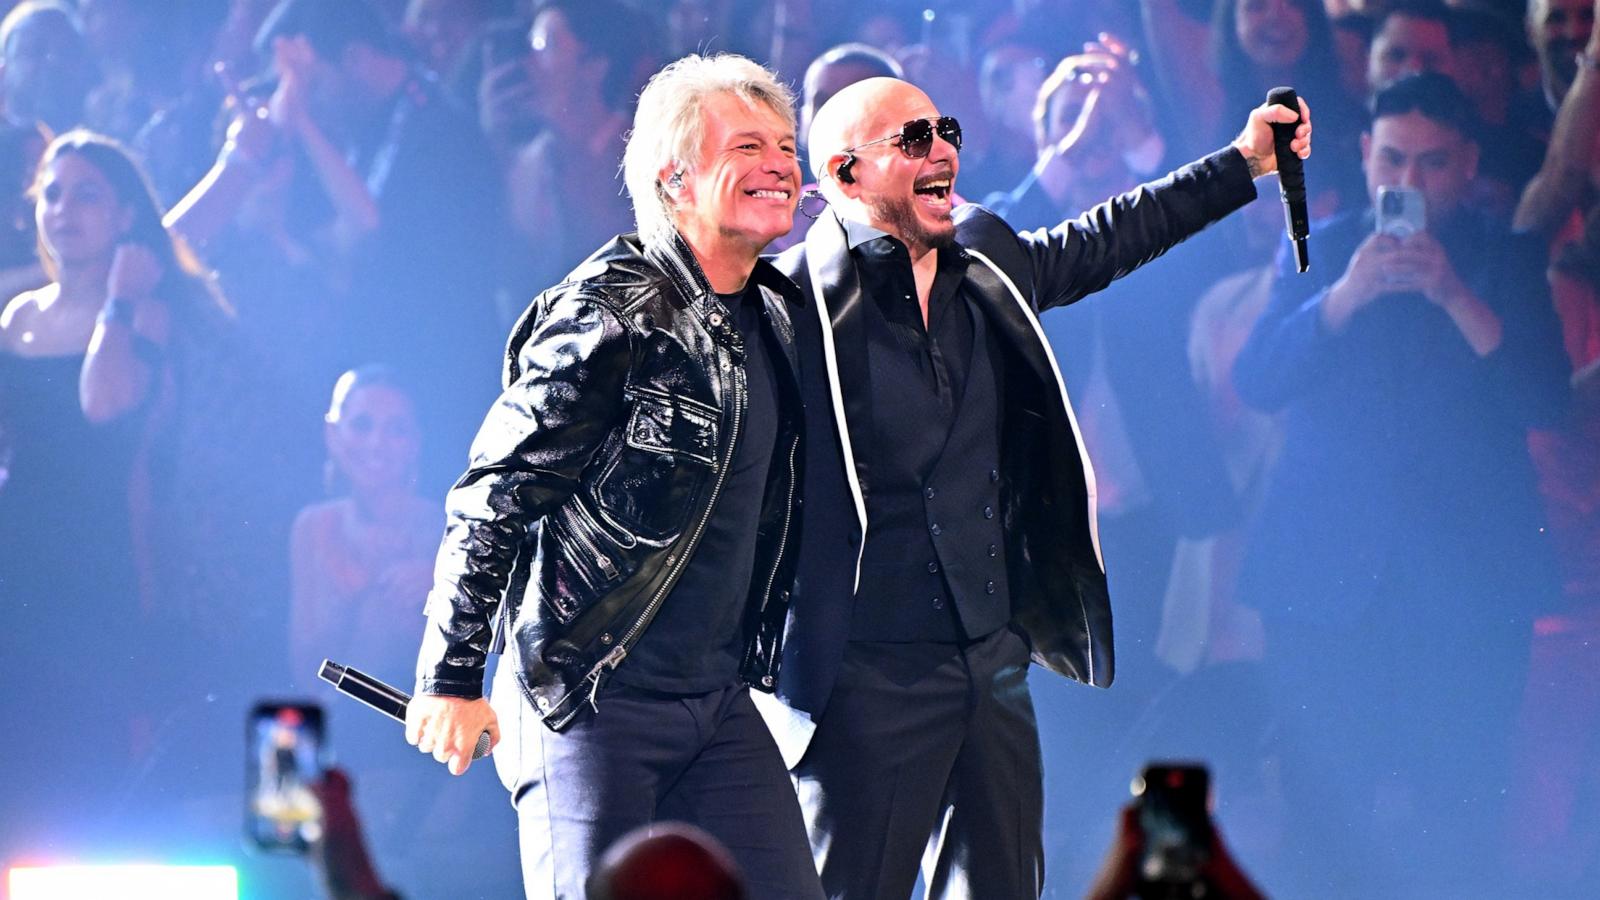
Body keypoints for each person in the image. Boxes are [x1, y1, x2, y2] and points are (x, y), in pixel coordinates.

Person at [759, 75, 1308, 898]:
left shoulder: (986, 259)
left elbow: (1110, 236)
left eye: (943, 129)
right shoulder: (789, 305)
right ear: (845, 175)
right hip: (865, 679)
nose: (942, 148)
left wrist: (1242, 163)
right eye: (913, 140)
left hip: (989, 663)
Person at [404, 53, 823, 900]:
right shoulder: (610, 312)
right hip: (589, 697)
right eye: (748, 145)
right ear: (676, 177)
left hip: (716, 699)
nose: (781, 162)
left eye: (786, 143)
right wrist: (450, 675)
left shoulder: (776, 312)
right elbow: (494, 496)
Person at [1231, 72, 1568, 894]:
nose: (1408, 182)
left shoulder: (1505, 256)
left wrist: (1454, 293)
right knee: (1319, 813)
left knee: (1458, 815)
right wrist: (1341, 301)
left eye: (1431, 164)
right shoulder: (1322, 244)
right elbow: (1257, 380)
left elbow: (1546, 399)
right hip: (1324, 585)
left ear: (1467, 166)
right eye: (1393, 160)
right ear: (1366, 155)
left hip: (1468, 592)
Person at [289, 365, 437, 689]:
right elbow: (304, 673)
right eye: (361, 425)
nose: (377, 443)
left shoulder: (448, 529)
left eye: (396, 429)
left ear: (415, 442)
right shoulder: (314, 527)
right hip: (339, 725)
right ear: (333, 434)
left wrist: (440, 593)